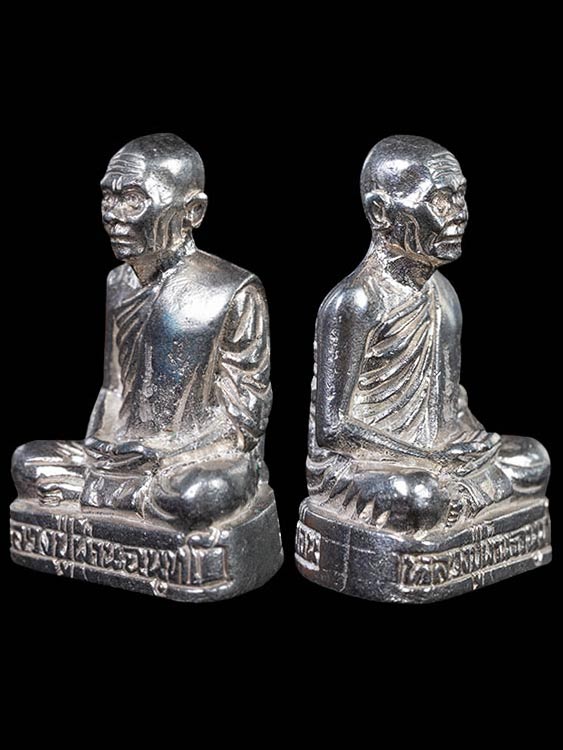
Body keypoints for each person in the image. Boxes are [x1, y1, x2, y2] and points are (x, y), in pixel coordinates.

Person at [12, 133, 272, 529]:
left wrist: (166, 452)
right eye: (109, 197)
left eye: (133, 200)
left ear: (193, 212)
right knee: (27, 460)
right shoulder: (118, 283)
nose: (113, 215)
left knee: (201, 494)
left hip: (191, 458)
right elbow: (113, 389)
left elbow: (244, 422)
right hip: (124, 457)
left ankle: (104, 495)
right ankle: (124, 495)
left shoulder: (232, 289)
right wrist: (101, 447)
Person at [307, 135, 549, 531]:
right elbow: (333, 430)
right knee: (420, 498)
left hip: (437, 453)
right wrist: (429, 460)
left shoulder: (444, 295)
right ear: (381, 211)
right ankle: (448, 500)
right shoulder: (356, 301)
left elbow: (450, 401)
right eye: (439, 200)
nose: (459, 214)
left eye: (460, 196)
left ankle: (453, 497)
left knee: (532, 459)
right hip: (364, 465)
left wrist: (475, 441)